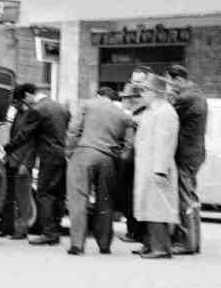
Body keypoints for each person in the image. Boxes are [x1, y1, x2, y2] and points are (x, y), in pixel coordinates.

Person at [65, 87, 134, 255]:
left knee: (78, 200)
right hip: (108, 159)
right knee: (105, 201)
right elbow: (129, 144)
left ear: (98, 95)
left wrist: (69, 151)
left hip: (84, 154)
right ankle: (104, 244)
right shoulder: (123, 115)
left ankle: (77, 245)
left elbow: (74, 129)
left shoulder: (87, 105)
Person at [5, 83, 70, 246]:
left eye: (23, 101)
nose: (25, 105)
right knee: (58, 194)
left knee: (44, 194)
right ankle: (55, 230)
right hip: (64, 155)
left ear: (28, 95)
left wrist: (7, 148)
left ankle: (48, 233)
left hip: (48, 156)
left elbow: (24, 135)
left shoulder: (37, 110)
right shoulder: (60, 107)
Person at [132, 74, 180, 259]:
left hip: (156, 167)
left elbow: (164, 143)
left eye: (145, 90)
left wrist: (160, 169)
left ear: (155, 92)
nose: (141, 93)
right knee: (147, 206)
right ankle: (149, 244)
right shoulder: (152, 110)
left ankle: (160, 248)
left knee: (157, 208)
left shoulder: (165, 112)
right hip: (147, 166)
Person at [165, 64, 208, 255]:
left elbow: (167, 113)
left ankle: (186, 243)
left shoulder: (185, 98)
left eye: (171, 82)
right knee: (192, 198)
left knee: (185, 198)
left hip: (185, 154)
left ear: (178, 79)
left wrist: (167, 95)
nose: (171, 86)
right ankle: (194, 241)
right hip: (195, 153)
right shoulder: (197, 93)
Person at [0, 89, 37, 239]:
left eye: (16, 102)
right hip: (12, 159)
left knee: (23, 198)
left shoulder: (31, 114)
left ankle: (21, 230)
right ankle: (7, 228)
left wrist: (26, 163)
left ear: (22, 100)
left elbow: (31, 142)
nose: (14, 105)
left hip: (21, 162)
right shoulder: (19, 114)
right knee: (9, 195)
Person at [117, 82, 147, 243]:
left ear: (134, 98)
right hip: (137, 162)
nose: (124, 101)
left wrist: (122, 158)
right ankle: (136, 231)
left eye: (126, 98)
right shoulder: (141, 114)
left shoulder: (133, 117)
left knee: (129, 198)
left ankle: (134, 232)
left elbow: (130, 143)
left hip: (130, 162)